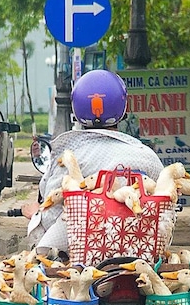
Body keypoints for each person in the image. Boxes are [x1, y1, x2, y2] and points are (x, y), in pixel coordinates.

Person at [23, 69, 165, 258]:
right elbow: (165, 210)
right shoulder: (147, 156)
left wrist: (35, 215)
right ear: (123, 108)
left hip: (79, 261)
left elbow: (50, 218)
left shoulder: (68, 153)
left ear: (76, 108)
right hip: (142, 256)